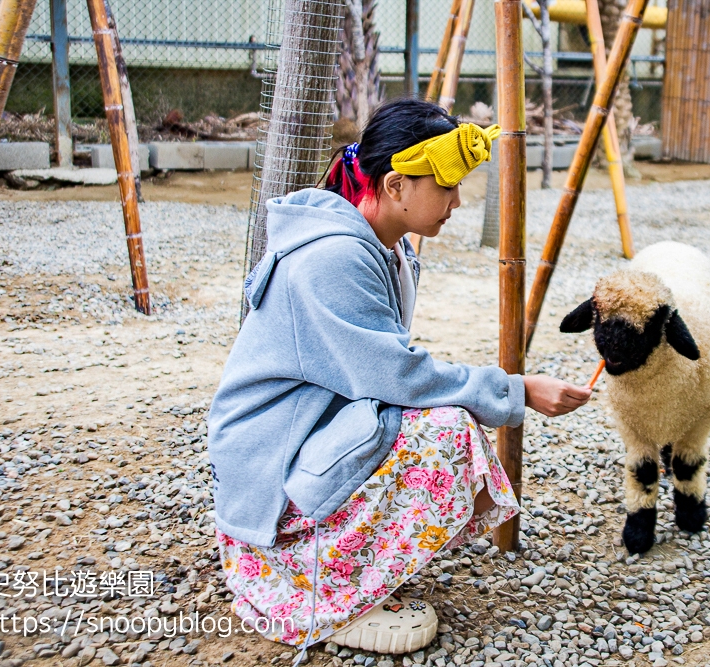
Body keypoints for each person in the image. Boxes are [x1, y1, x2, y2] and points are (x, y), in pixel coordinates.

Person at [207, 98, 591, 659]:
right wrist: (518, 390)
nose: (457, 202)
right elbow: (399, 375)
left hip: (298, 450)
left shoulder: (382, 248)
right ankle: (323, 590)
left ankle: (343, 563)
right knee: (444, 431)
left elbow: (385, 373)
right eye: (445, 186)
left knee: (438, 420)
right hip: (270, 487)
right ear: (394, 186)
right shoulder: (333, 257)